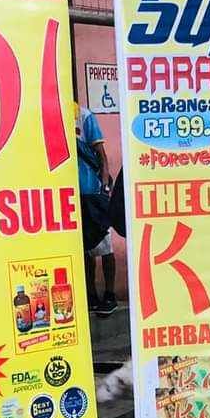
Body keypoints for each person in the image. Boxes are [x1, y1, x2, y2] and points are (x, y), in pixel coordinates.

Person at [76, 104, 118, 316]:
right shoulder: (51, 118)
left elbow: (101, 154)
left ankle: (110, 294)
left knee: (104, 245)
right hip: (72, 196)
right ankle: (91, 294)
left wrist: (104, 186)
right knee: (85, 249)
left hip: (93, 192)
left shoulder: (83, 116)